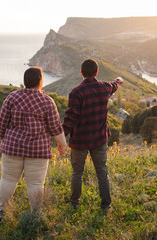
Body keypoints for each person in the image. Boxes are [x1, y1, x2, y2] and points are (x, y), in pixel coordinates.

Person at [0, 67, 67, 221]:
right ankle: (35, 215)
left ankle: (1, 211)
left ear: (25, 81)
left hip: (12, 147)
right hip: (38, 150)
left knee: (8, 180)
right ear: (40, 80)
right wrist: (63, 144)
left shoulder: (12, 97)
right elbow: (55, 128)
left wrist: (3, 138)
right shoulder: (47, 101)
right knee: (35, 184)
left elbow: (1, 123)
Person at [62, 59, 123, 210]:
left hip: (79, 140)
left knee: (77, 172)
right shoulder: (104, 88)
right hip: (99, 138)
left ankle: (75, 203)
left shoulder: (76, 92)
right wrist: (119, 80)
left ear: (81, 72)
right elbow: (114, 85)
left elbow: (70, 118)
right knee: (102, 170)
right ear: (96, 72)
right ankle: (106, 205)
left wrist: (60, 136)